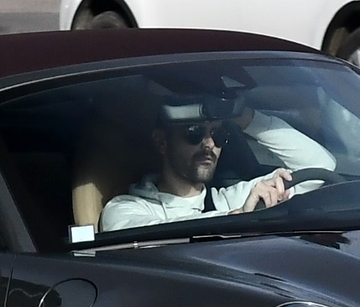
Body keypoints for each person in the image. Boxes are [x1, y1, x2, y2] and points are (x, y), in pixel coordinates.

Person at [97, 97, 336, 233]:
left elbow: (320, 166)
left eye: (218, 134)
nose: (209, 144)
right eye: (194, 133)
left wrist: (244, 116)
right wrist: (238, 217)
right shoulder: (125, 210)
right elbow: (158, 234)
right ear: (162, 142)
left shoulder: (230, 199)